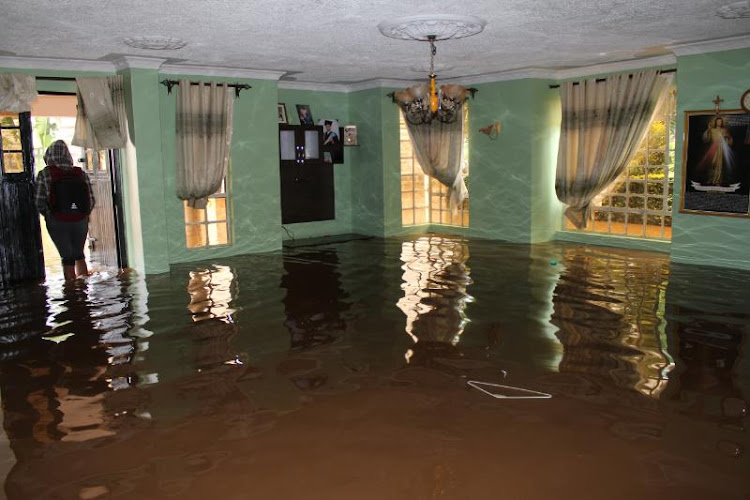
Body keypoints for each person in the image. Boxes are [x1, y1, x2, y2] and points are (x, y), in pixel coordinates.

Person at [34, 140, 95, 281]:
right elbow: (91, 200)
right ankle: (84, 293)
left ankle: (71, 296)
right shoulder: (80, 174)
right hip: (80, 221)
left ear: (49, 156)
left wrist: (50, 215)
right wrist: (82, 216)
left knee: (67, 258)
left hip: (57, 221)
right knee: (79, 254)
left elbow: (39, 201)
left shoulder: (45, 174)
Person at [699, 115, 734, 185]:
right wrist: (708, 130)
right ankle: (711, 178)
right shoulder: (712, 130)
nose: (719, 123)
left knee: (720, 165)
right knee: (712, 163)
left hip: (721, 149)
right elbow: (706, 139)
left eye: (720, 121)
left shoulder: (724, 130)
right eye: (718, 121)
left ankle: (718, 180)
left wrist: (728, 137)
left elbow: (729, 141)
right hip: (713, 148)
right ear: (715, 122)